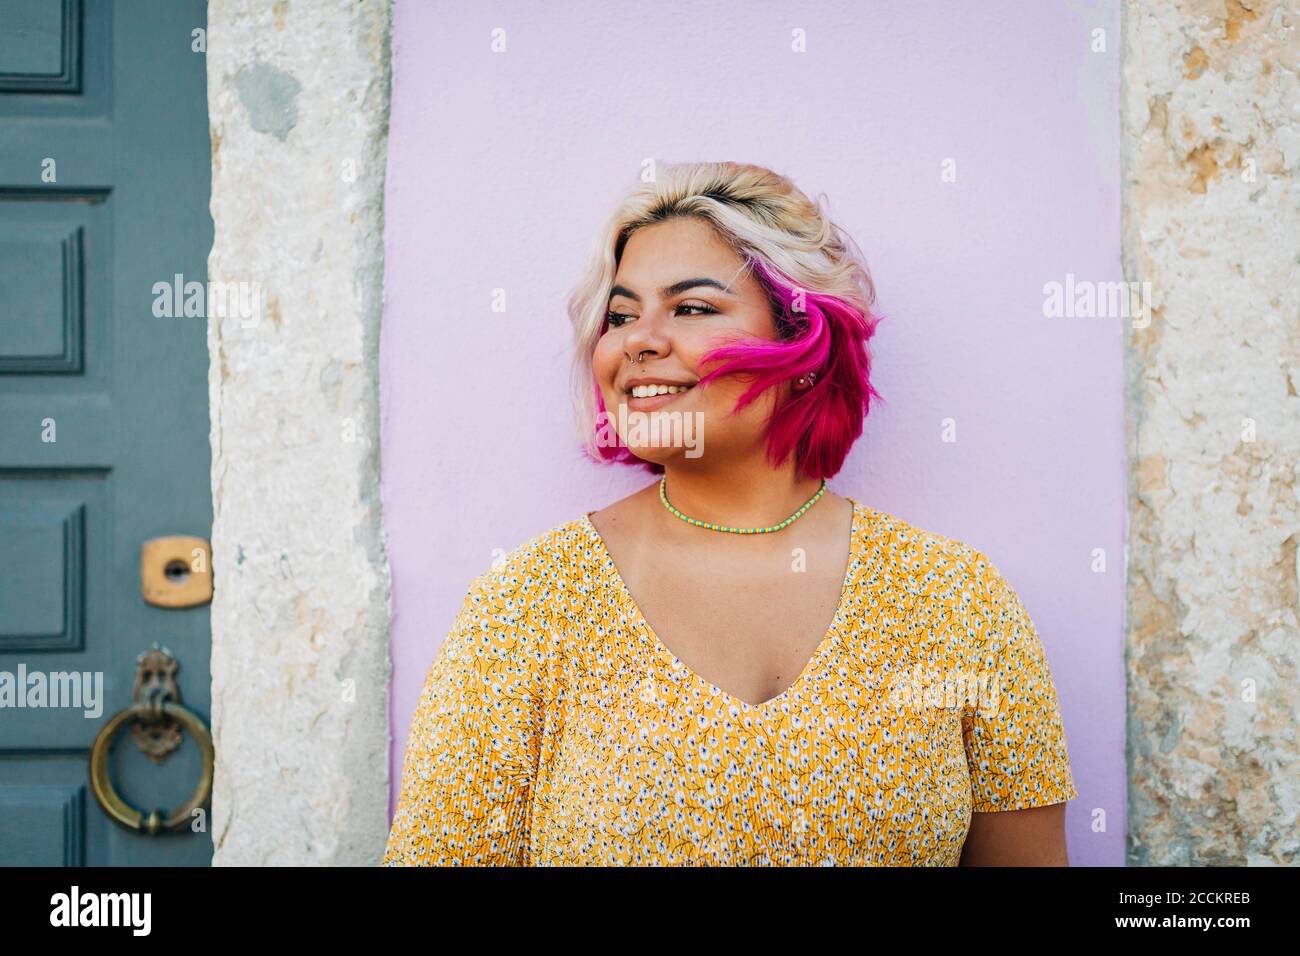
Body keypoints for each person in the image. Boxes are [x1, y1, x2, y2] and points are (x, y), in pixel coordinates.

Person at [383, 161, 1077, 866]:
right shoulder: (526, 608)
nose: (637, 341)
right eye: (620, 316)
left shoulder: (956, 599)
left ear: (804, 342)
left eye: (692, 308)